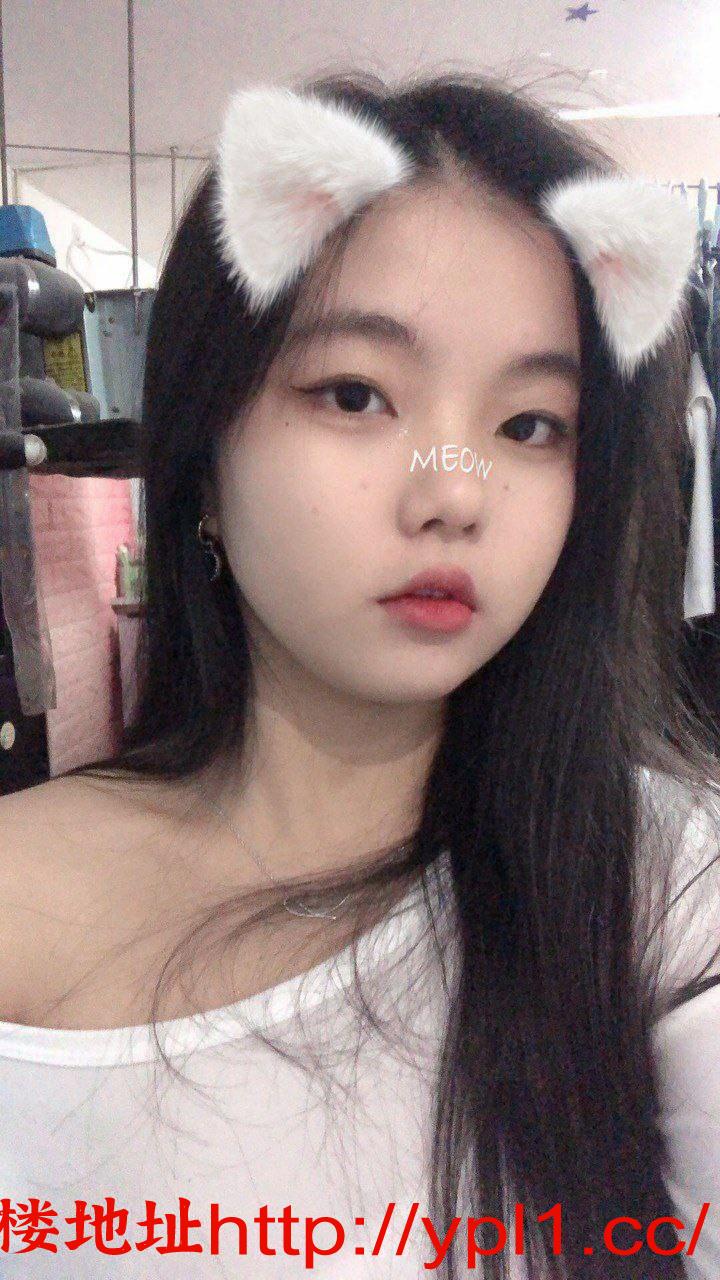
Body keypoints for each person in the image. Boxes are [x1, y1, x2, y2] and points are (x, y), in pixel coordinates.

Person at [1, 67, 719, 1280]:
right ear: (203, 454)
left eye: (530, 425)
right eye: (356, 393)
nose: (453, 494)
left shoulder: (663, 889)